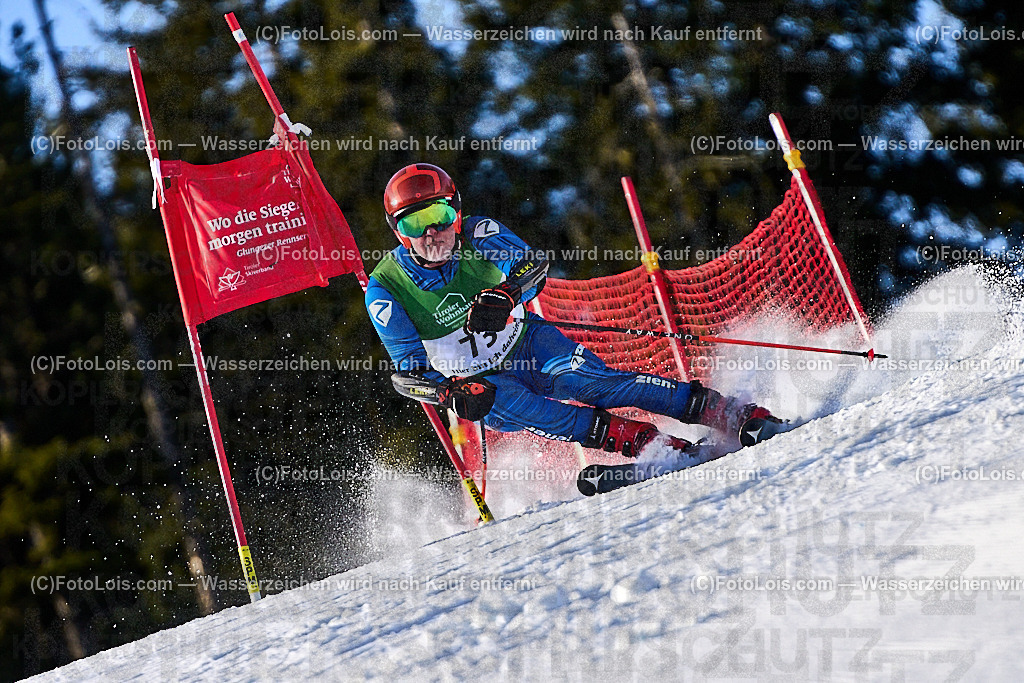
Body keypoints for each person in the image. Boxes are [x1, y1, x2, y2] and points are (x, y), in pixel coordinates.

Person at [365, 163, 780, 459]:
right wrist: (447, 392)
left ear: (457, 213)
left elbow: (534, 266)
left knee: (593, 383)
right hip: (483, 383)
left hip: (529, 342)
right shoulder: (386, 290)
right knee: (533, 409)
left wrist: (507, 295)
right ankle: (642, 443)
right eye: (414, 224)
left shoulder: (478, 233)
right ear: (398, 232)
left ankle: (728, 412)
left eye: (439, 215)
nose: (432, 233)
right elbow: (408, 373)